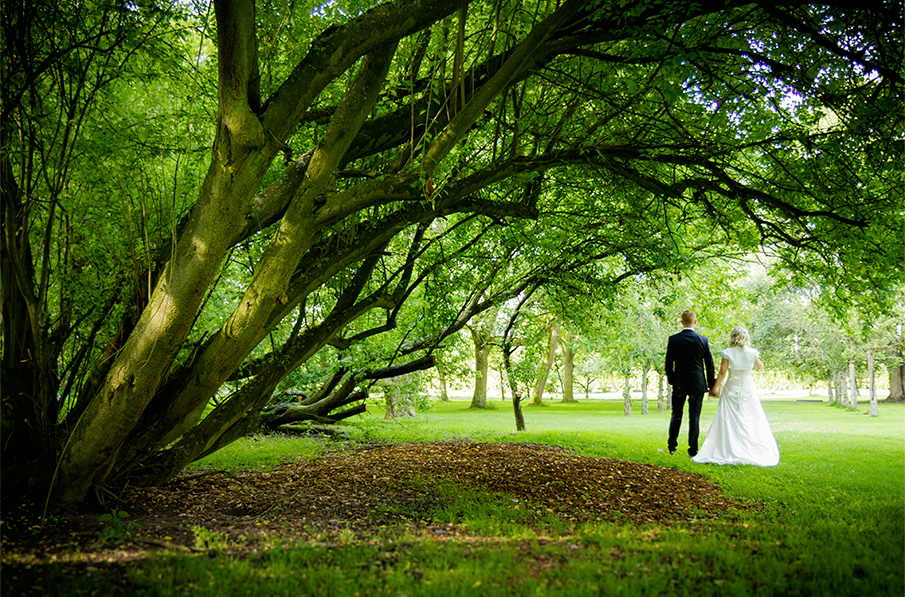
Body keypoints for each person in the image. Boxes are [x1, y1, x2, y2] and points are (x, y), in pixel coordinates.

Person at [692, 326, 780, 466]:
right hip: (748, 389)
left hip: (732, 388)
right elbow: (758, 367)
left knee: (728, 419)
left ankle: (729, 447)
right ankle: (749, 447)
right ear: (746, 337)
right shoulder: (752, 353)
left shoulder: (727, 353)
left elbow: (722, 372)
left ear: (732, 337)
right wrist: (751, 352)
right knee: (750, 417)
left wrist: (713, 388)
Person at [665, 310, 716, 456]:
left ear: (682, 322)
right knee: (694, 417)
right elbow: (709, 365)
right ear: (695, 322)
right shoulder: (703, 340)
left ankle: (672, 446)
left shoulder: (673, 340)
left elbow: (668, 363)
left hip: (680, 383)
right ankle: (693, 449)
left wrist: (672, 380)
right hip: (697, 384)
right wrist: (711, 384)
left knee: (676, 415)